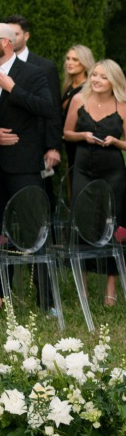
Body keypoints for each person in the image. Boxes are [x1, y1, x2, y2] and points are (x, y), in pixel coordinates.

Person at [64, 58, 126, 305]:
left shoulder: (122, 105)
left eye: (103, 77)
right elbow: (67, 133)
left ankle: (111, 288)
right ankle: (83, 286)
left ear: (114, 80)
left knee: (112, 223)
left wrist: (115, 141)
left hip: (113, 171)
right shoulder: (78, 100)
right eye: (94, 76)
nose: (97, 80)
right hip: (83, 169)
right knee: (83, 221)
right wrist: (83, 135)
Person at [0, 21, 52, 212]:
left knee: (30, 219)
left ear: (5, 42)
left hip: (22, 161)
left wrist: (14, 89)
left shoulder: (33, 72)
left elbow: (46, 108)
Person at [5, 15, 63, 171]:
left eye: (15, 34)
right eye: (7, 35)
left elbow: (54, 108)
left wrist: (53, 147)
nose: (10, 39)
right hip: (4, 144)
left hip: (37, 145)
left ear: (26, 36)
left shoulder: (45, 67)